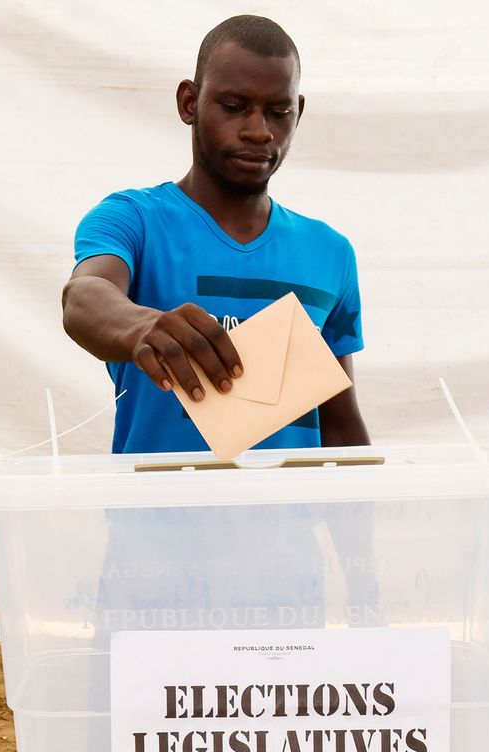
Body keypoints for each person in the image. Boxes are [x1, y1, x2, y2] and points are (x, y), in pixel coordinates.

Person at [62, 14, 370, 455]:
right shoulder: (134, 219)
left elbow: (340, 427)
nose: (258, 131)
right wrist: (143, 323)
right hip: (156, 521)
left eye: (278, 112)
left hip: (289, 523)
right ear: (189, 102)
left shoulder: (330, 253)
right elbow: (83, 296)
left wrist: (361, 521)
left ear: (297, 112)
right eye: (233, 106)